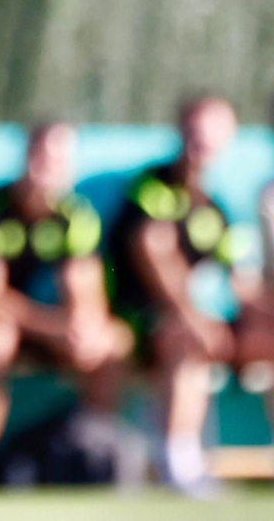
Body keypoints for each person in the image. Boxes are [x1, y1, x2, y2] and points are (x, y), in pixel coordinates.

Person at [0, 121, 129, 475]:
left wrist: (82, 330)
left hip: (39, 327)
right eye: (43, 158)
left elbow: (84, 287)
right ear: (27, 157)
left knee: (108, 340)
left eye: (60, 161)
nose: (49, 169)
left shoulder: (76, 216)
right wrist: (54, 328)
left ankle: (93, 454)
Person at [110, 95, 261, 494]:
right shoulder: (152, 188)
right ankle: (180, 463)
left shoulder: (219, 206)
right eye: (196, 128)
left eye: (214, 130)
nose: (203, 139)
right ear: (180, 130)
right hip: (144, 322)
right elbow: (154, 257)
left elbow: (243, 283)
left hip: (208, 322)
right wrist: (196, 318)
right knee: (186, 336)